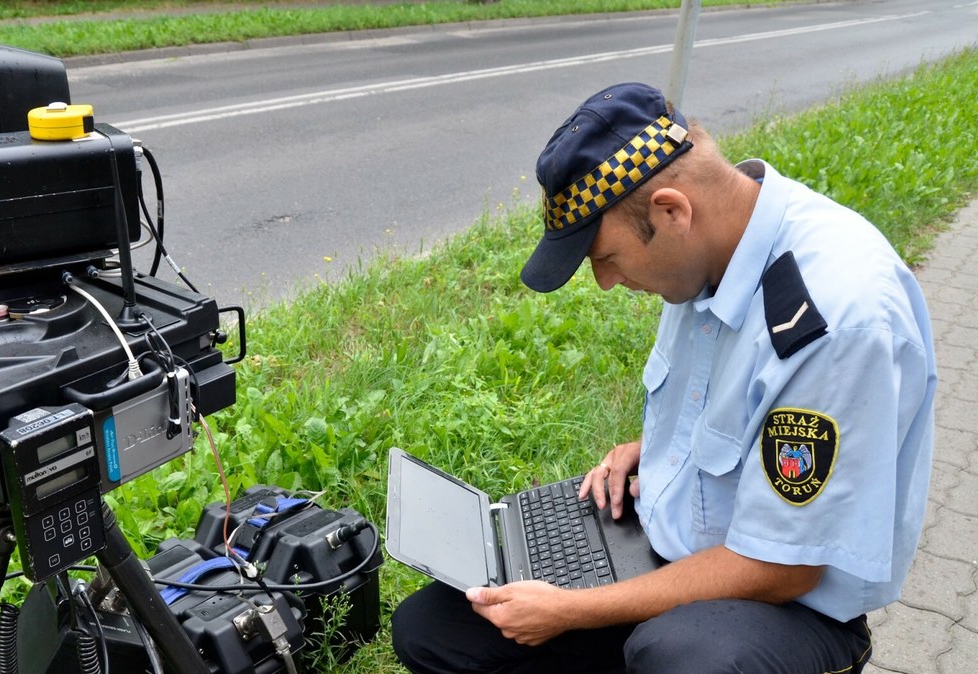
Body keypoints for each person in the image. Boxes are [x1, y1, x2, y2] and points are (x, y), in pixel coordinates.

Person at [391, 82, 936, 673]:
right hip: (662, 553)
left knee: (679, 658)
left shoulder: (836, 318)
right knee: (431, 628)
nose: (603, 280)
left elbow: (785, 565)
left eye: (606, 257)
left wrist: (574, 608)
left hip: (783, 605)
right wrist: (651, 452)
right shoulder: (706, 251)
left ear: (671, 211)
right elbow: (737, 416)